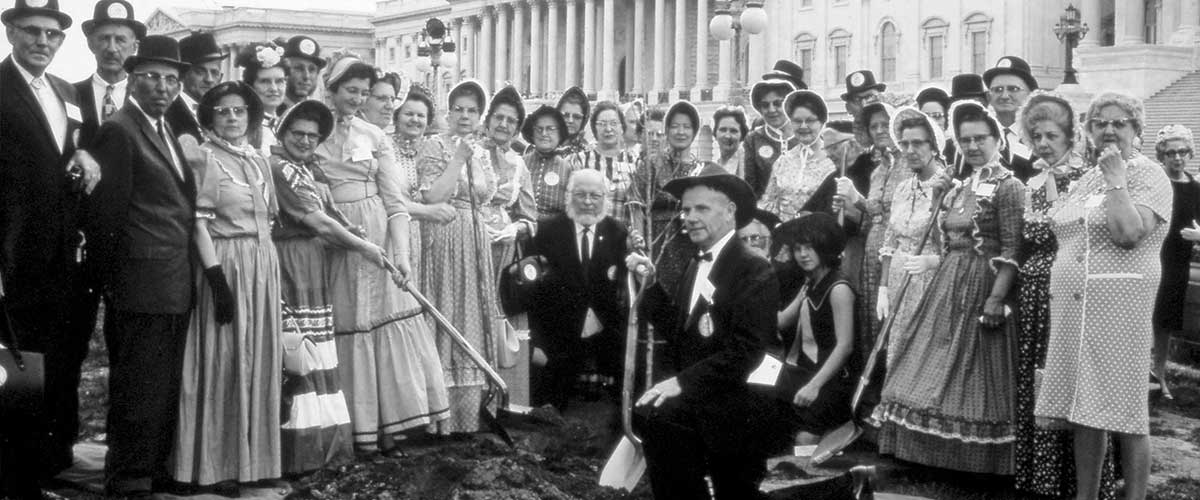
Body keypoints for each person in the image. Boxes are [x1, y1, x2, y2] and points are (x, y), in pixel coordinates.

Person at [873, 100, 1024, 475]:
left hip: (983, 282)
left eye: (980, 139)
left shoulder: (1009, 186)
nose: (972, 146)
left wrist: (996, 297)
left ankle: (972, 461)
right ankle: (925, 452)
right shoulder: (958, 186)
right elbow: (946, 242)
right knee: (926, 362)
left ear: (997, 140)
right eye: (965, 139)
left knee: (974, 372)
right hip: (947, 282)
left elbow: (1011, 248)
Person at [1035, 92, 1172, 500]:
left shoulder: (1150, 176)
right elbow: (1063, 227)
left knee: (1127, 412)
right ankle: (1087, 495)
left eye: (1119, 123)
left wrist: (1117, 180)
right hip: (1075, 305)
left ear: (1137, 129)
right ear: (1089, 130)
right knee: (1084, 408)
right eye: (1099, 123)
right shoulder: (1087, 177)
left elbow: (1129, 234)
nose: (1109, 130)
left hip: (1119, 304)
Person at [625, 163, 791, 500]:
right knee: (655, 420)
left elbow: (747, 352)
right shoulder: (695, 262)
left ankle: (845, 488)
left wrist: (680, 383)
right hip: (705, 397)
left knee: (738, 493)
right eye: (686, 209)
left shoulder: (753, 268)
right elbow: (682, 333)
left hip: (740, 403)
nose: (689, 217)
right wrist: (650, 286)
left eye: (701, 208)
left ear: (730, 212)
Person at [317, 54, 449, 452]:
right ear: (333, 90)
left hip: (381, 235)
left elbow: (396, 202)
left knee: (388, 325)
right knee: (351, 324)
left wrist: (403, 255)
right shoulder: (312, 131)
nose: (357, 99)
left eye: (363, 92)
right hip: (339, 238)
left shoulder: (375, 136)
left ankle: (392, 425)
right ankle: (357, 429)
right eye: (351, 91)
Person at [86, 35, 196, 498]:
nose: (162, 87)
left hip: (173, 278)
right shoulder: (120, 129)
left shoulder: (165, 128)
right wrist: (114, 281)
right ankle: (129, 477)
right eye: (152, 77)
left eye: (171, 79)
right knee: (139, 384)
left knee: (165, 381)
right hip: (140, 280)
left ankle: (153, 468)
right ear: (132, 79)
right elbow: (108, 215)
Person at [0, 1, 102, 497]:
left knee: (60, 359)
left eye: (52, 34)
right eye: (32, 31)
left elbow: (70, 145)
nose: (43, 41)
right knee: (18, 364)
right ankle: (17, 477)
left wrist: (81, 151)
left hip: (64, 256)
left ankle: (51, 463)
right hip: (14, 255)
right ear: (10, 32)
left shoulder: (65, 91)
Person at [171, 81, 281, 492]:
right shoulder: (205, 158)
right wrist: (217, 280)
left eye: (239, 111)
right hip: (227, 264)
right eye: (223, 111)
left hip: (262, 266)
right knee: (223, 362)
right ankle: (213, 466)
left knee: (256, 360)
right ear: (210, 116)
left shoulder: (256, 161)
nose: (232, 118)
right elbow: (198, 225)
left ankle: (253, 461)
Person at [1012, 91, 1119, 499]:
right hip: (1038, 292)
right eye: (1035, 135)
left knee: (1081, 383)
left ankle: (1087, 483)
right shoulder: (1034, 183)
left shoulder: (1089, 177)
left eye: (1051, 135)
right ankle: (1045, 477)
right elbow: (1029, 239)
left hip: (1080, 289)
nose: (1043, 143)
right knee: (1042, 380)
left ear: (1071, 135)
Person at [269, 100, 361, 473]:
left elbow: (331, 217)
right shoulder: (280, 168)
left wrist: (352, 231)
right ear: (282, 133)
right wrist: (362, 246)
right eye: (298, 134)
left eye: (312, 135)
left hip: (312, 262)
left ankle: (323, 444)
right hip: (291, 260)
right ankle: (298, 453)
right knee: (300, 350)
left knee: (317, 347)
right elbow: (318, 222)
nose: (306, 140)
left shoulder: (306, 169)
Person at [419, 79, 508, 434]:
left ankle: (470, 414)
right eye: (459, 109)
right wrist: (457, 159)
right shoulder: (434, 146)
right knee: (446, 310)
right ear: (449, 111)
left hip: (475, 239)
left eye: (472, 110)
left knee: (472, 313)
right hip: (444, 234)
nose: (465, 116)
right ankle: (440, 416)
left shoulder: (484, 152)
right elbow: (432, 197)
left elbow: (488, 196)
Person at [528, 169, 627, 410]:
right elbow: (536, 291)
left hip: (606, 329)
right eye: (580, 194)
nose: (587, 202)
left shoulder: (618, 232)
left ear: (605, 198)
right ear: (568, 196)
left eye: (595, 196)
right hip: (559, 329)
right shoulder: (548, 231)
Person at [772, 213, 860, 444]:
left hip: (832, 379)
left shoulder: (839, 287)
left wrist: (813, 386)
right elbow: (781, 322)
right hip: (805, 370)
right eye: (798, 248)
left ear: (825, 248)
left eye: (810, 248)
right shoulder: (810, 282)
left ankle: (831, 433)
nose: (802, 255)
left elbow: (845, 346)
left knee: (803, 439)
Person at [874, 107, 946, 368]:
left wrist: (933, 261)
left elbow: (953, 245)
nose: (910, 150)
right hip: (897, 278)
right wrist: (883, 287)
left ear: (934, 146)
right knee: (896, 348)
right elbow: (889, 241)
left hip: (930, 280)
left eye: (918, 143)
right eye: (904, 144)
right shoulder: (903, 188)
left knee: (924, 352)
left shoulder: (949, 187)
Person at [840, 101, 909, 353]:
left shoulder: (910, 164)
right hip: (871, 251)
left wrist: (856, 198)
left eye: (885, 124)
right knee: (872, 319)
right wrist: (851, 203)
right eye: (874, 126)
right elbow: (870, 219)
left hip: (899, 251)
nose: (880, 130)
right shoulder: (877, 171)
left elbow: (899, 212)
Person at [1153, 124, 1200, 396]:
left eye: (1182, 151)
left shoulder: (1195, 188)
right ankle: (1136, 374)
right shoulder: (1155, 182)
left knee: (1165, 322)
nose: (1177, 157)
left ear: (1190, 154)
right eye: (1171, 152)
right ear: (1162, 156)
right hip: (1151, 257)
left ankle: (1159, 375)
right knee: (1143, 317)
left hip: (1177, 263)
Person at [639, 100, 702, 293]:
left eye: (686, 127)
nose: (680, 132)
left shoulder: (701, 169)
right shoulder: (651, 165)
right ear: (667, 131)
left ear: (694, 131)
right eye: (674, 126)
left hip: (692, 244)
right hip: (659, 246)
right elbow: (637, 206)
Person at [392, 87, 455, 282]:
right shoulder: (385, 149)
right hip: (395, 231)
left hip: (430, 235)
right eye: (409, 114)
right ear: (396, 118)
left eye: (421, 115)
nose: (415, 120)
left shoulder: (433, 151)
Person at [75, 0, 143, 147]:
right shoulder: (71, 94)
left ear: (134, 47)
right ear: (91, 44)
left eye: (120, 40)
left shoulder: (144, 97)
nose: (112, 49)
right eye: (105, 38)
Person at [759, 89, 835, 221]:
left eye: (810, 121)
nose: (803, 126)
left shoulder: (834, 160)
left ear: (822, 123)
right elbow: (769, 203)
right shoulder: (783, 161)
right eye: (797, 121)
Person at [578, 100, 642, 232]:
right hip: (588, 238)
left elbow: (637, 210)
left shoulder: (634, 162)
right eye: (602, 124)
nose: (608, 129)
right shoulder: (579, 161)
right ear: (594, 128)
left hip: (622, 240)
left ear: (621, 127)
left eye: (614, 123)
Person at [983, 56, 1038, 182]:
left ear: (1030, 95)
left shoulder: (1041, 136)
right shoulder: (978, 136)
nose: (1005, 96)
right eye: (998, 90)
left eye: (1013, 89)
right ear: (988, 97)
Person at [742, 76, 797, 197]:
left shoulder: (804, 135)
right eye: (765, 105)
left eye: (778, 104)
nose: (771, 110)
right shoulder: (753, 139)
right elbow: (749, 185)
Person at [521, 104, 577, 219]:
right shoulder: (521, 163)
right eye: (539, 129)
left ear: (559, 133)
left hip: (554, 233)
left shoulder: (568, 168)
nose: (544, 134)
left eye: (550, 129)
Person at [167, 31, 224, 142]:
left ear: (221, 78)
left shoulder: (223, 115)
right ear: (182, 75)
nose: (209, 79)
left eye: (214, 73)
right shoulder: (168, 115)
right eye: (200, 72)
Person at [235, 41, 287, 156]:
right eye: (265, 81)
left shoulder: (287, 126)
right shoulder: (244, 130)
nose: (274, 88)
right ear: (251, 86)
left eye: (279, 81)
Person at [280, 35, 325, 115]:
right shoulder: (272, 109)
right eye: (299, 68)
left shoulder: (318, 114)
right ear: (284, 72)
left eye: (312, 70)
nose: (306, 76)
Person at [712, 105, 749, 176]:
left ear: (742, 135)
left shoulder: (747, 165)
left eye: (733, 131)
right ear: (715, 133)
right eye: (723, 130)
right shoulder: (714, 164)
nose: (727, 136)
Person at [557, 85, 591, 156]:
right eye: (565, 116)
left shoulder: (587, 154)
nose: (570, 120)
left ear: (584, 120)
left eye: (577, 117)